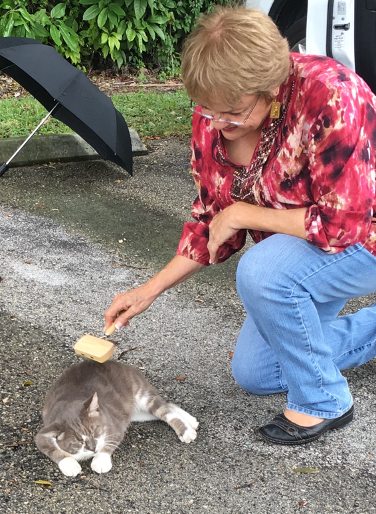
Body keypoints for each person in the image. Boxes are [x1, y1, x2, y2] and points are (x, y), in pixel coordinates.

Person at [104, 6, 376, 445]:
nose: (215, 124)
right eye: (206, 108)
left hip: (365, 238)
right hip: (307, 252)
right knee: (257, 372)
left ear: (272, 85)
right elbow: (211, 216)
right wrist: (147, 291)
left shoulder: (333, 95)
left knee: (263, 272)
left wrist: (244, 213)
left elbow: (343, 224)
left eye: (232, 112)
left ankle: (323, 400)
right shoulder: (216, 110)